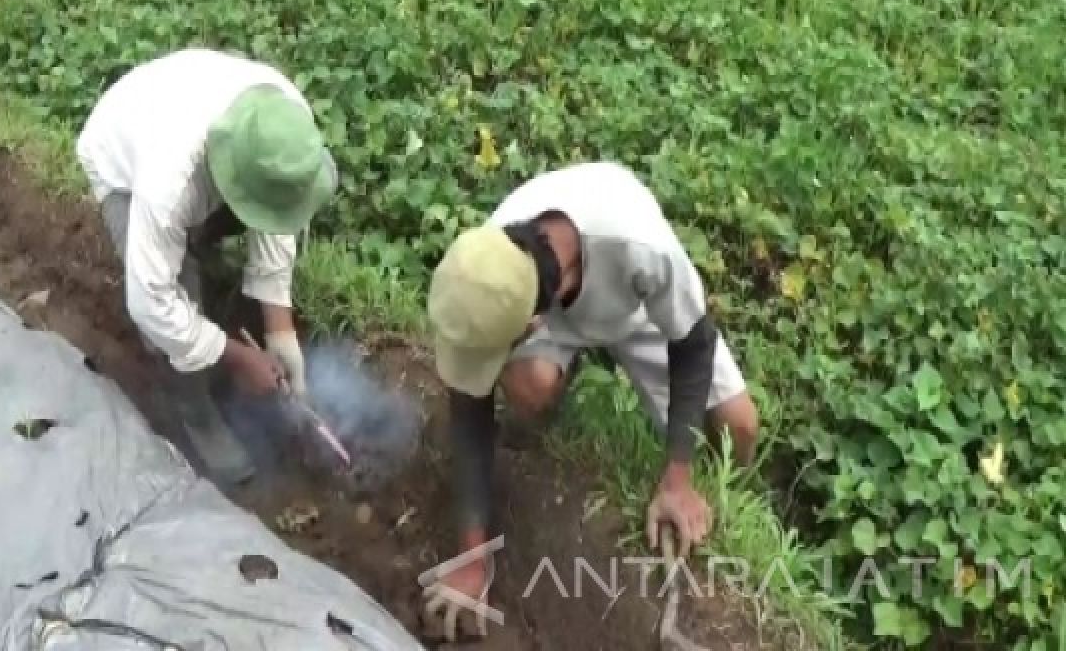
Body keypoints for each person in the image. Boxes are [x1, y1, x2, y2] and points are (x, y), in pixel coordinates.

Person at [420, 161, 759, 641]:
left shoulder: (640, 246)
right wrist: (472, 560)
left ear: (530, 325)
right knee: (529, 387)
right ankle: (566, 369)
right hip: (551, 307)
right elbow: (469, 406)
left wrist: (677, 479)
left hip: (637, 309)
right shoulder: (485, 274)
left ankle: (721, 509)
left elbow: (693, 344)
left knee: (739, 425)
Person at [75, 47, 337, 486]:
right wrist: (237, 359)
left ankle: (194, 249)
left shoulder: (286, 123)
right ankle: (194, 411)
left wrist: (280, 332)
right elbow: (150, 302)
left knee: (199, 237)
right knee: (175, 290)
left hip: (190, 127)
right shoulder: (167, 184)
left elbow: (276, 216)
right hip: (122, 157)